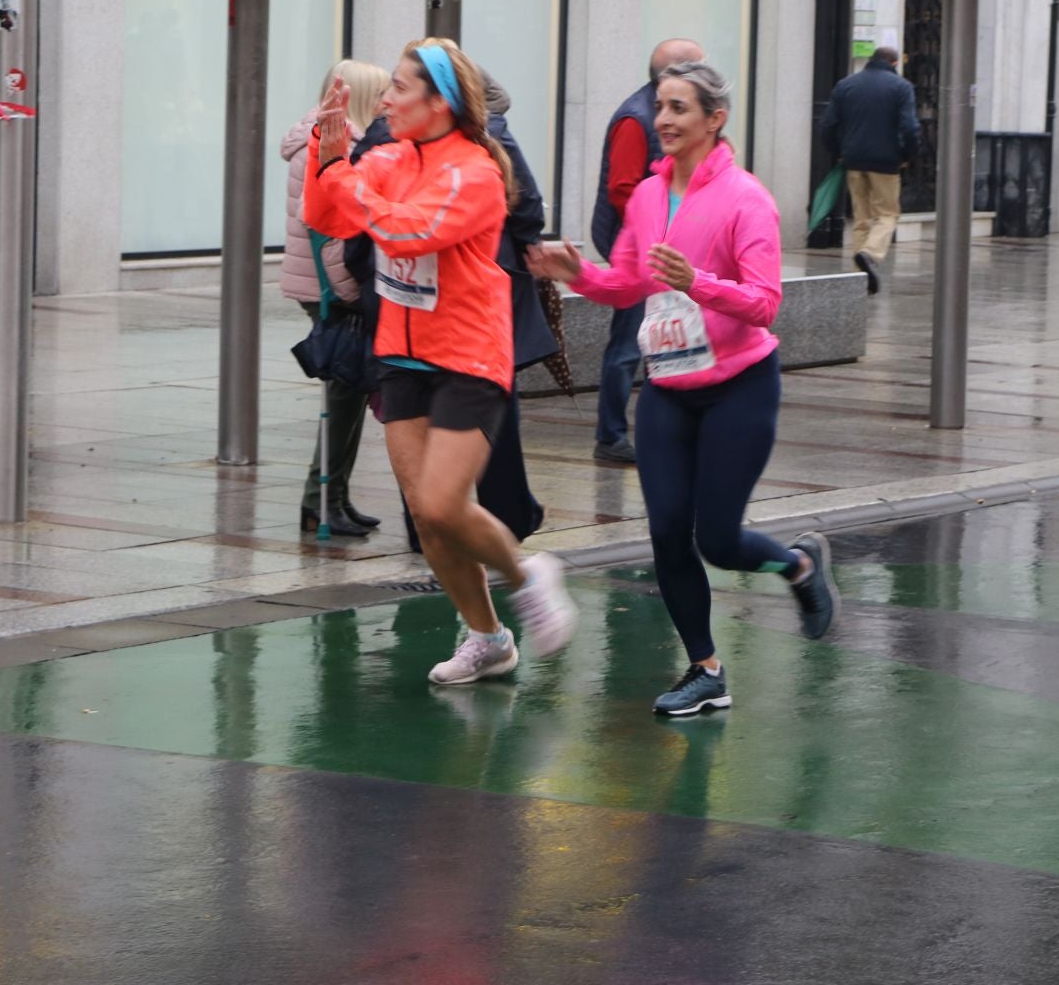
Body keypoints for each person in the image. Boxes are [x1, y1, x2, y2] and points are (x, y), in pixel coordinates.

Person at [530, 61, 837, 717]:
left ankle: (799, 567)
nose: (663, 120)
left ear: (714, 119)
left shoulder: (747, 198)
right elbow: (628, 285)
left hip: (739, 386)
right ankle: (705, 669)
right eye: (660, 107)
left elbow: (765, 303)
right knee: (668, 532)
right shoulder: (647, 195)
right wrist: (576, 273)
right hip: (667, 385)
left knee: (717, 541)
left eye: (678, 108)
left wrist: (697, 282)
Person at [304, 37, 578, 686]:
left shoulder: (476, 172)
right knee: (427, 516)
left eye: (400, 88)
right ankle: (489, 639)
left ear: (440, 103)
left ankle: (528, 575)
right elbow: (328, 215)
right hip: (401, 355)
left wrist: (346, 178)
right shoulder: (390, 157)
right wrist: (327, 151)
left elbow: (408, 232)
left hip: (468, 355)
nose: (386, 100)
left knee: (442, 500)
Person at [356, 69, 555, 546]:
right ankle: (506, 523)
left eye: (398, 88)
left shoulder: (382, 137)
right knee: (491, 426)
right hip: (463, 316)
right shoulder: (486, 138)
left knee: (420, 430)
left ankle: (428, 531)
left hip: (399, 311)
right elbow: (527, 209)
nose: (388, 99)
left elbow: (353, 221)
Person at [281, 57, 387, 538]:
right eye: (380, 93)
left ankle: (334, 497)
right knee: (344, 394)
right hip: (331, 287)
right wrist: (350, 291)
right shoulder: (326, 143)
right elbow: (324, 227)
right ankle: (320, 500)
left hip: (332, 283)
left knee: (351, 392)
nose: (387, 101)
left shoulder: (340, 139)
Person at [590, 37, 705, 464]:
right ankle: (610, 436)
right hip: (640, 246)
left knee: (664, 336)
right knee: (627, 345)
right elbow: (623, 189)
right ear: (675, 74)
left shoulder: (661, 114)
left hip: (661, 244)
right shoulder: (637, 119)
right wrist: (656, 236)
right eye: (700, 68)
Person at [820, 45, 921, 294]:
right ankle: (870, 253)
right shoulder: (901, 87)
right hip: (886, 162)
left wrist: (838, 151)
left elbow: (828, 125)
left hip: (853, 160)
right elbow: (909, 127)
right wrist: (907, 155)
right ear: (895, 63)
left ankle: (861, 278)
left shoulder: (846, 85)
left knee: (862, 219)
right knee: (887, 214)